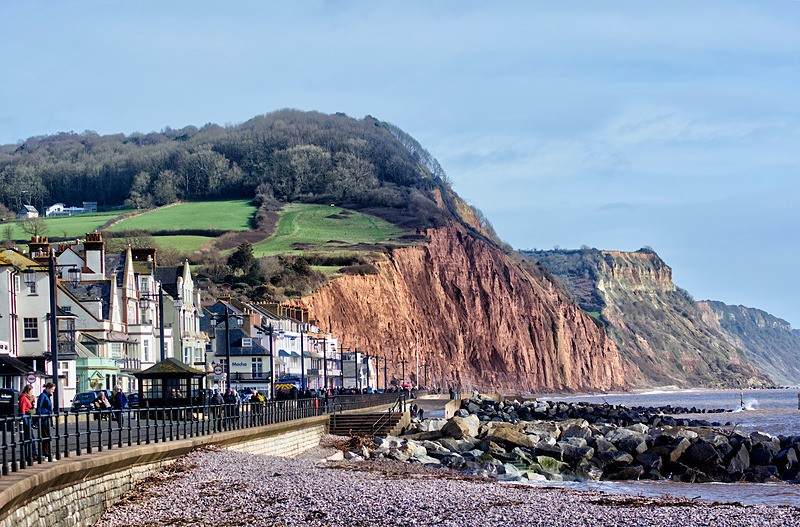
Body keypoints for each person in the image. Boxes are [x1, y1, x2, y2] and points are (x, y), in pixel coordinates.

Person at [18, 385, 36, 461]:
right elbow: (22, 409)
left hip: (28, 417)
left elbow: (29, 407)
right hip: (26, 417)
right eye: (31, 391)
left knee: (29, 437)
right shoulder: (23, 398)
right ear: (28, 391)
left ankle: (30, 454)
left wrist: (32, 401)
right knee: (30, 436)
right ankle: (32, 454)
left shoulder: (26, 398)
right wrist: (22, 419)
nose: (32, 392)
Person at [37, 383, 55, 458]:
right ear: (48, 388)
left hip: (47, 420)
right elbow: (39, 408)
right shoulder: (43, 396)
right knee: (45, 437)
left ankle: (47, 453)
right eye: (52, 389)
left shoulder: (47, 396)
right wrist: (45, 413)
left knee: (47, 437)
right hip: (44, 420)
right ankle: (46, 454)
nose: (53, 391)